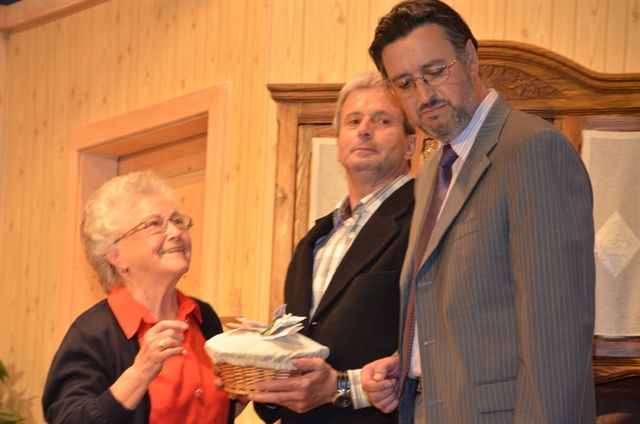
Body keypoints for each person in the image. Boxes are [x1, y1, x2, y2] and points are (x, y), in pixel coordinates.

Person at [361, 1, 596, 423]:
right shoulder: (432, 170)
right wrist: (410, 359)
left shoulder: (532, 149)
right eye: (405, 83)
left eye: (436, 71)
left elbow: (555, 336)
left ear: (469, 57)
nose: (424, 95)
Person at [249, 73, 417, 423]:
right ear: (338, 144)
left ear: (410, 145)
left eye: (382, 120)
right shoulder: (312, 242)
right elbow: (293, 348)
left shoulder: (426, 220)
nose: (365, 130)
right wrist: (264, 385)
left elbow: (440, 346)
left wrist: (341, 387)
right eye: (353, 121)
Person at [42, 171, 234, 424]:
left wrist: (249, 394)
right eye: (154, 224)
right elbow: (68, 419)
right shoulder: (92, 334)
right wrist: (141, 372)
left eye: (177, 220)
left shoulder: (202, 316)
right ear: (116, 256)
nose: (175, 232)